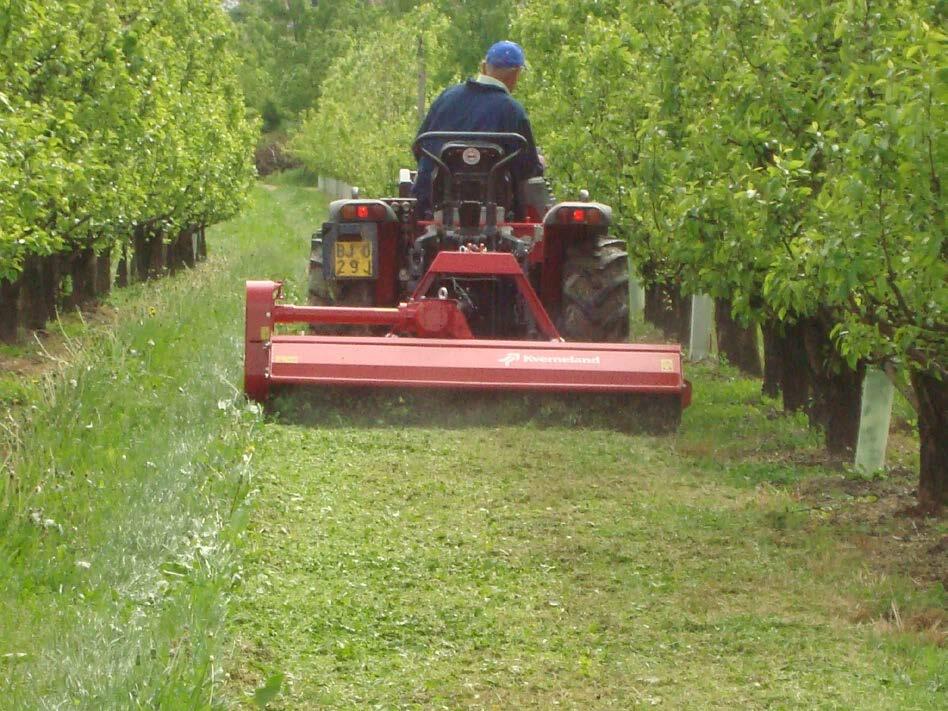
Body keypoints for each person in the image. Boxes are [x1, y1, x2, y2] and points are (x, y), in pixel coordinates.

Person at [412, 40, 544, 217]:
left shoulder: (446, 98)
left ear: (483, 67)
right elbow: (528, 171)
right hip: (496, 213)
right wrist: (539, 163)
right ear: (516, 74)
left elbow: (419, 148)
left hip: (431, 206)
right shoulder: (513, 112)